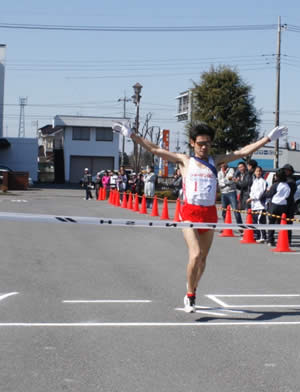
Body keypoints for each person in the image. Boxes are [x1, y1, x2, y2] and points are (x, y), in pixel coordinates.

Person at [113, 120, 287, 313]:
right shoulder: (185, 161)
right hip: (189, 213)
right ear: (193, 143)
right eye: (201, 143)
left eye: (208, 143)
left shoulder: (216, 161)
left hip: (209, 214)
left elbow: (243, 152)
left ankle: (193, 288)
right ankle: (189, 294)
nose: (204, 147)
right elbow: (155, 149)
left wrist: (268, 138)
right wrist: (131, 135)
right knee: (195, 254)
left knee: (203, 259)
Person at [265, 169, 291, 247]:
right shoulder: (287, 185)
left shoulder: (276, 185)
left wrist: (265, 192)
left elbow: (269, 194)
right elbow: (288, 196)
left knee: (271, 223)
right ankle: (282, 240)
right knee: (282, 224)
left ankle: (270, 240)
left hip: (274, 205)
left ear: (278, 176)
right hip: (283, 205)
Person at [247, 165, 268, 243]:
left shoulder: (263, 181)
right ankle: (258, 235)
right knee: (255, 221)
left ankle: (263, 236)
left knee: (260, 221)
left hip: (260, 205)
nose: (258, 172)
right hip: (254, 205)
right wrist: (251, 197)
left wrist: (252, 198)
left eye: (259, 171)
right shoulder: (255, 181)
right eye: (257, 171)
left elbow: (260, 194)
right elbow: (252, 192)